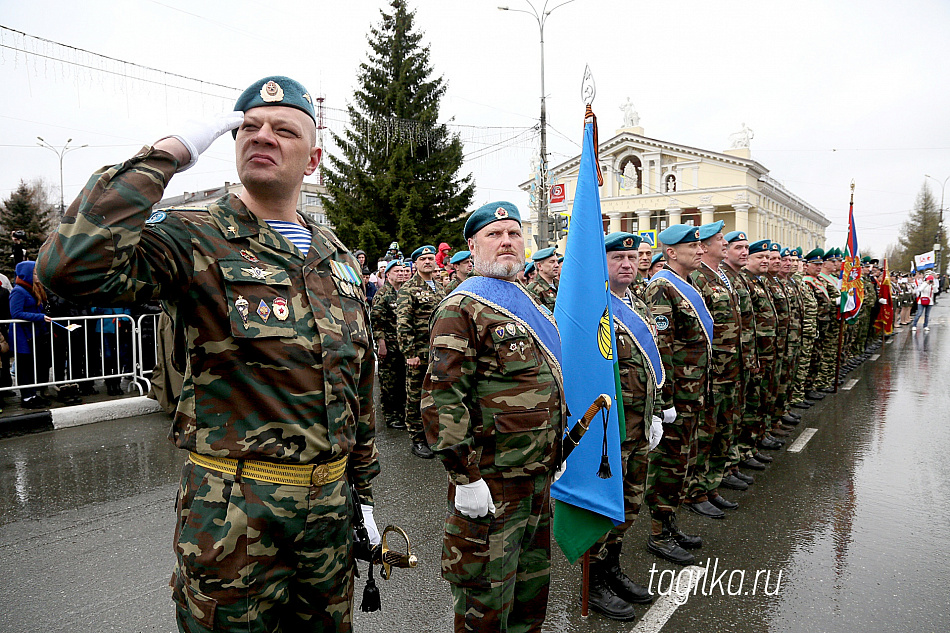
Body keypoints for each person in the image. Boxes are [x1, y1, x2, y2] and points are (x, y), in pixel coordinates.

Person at [36, 75, 380, 632]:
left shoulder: (333, 255)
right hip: (235, 516)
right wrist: (169, 154)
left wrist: (362, 494)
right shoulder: (192, 236)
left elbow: (355, 383)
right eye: (249, 127)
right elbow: (70, 264)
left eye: (283, 129)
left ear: (313, 159)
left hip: (329, 516)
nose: (262, 135)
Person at [422, 201, 565, 633]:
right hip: (493, 483)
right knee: (484, 603)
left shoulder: (530, 303)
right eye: (494, 234)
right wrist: (465, 478)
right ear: (473, 245)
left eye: (514, 234)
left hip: (536, 478)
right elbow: (442, 400)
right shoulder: (462, 309)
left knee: (529, 598)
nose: (507, 242)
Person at [585, 232, 662, 621]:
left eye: (633, 257)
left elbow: (650, 367)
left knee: (629, 506)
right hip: (607, 432)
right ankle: (594, 578)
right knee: (602, 506)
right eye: (618, 258)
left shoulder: (639, 305)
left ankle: (612, 567)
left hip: (638, 425)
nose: (628, 264)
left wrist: (658, 413)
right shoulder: (591, 308)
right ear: (602, 264)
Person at [644, 224, 712, 565]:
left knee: (684, 459)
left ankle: (670, 522)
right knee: (669, 462)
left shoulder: (691, 283)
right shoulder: (661, 287)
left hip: (694, 391)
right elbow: (662, 350)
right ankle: (658, 531)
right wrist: (665, 401)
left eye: (700, 245)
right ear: (671, 252)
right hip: (678, 395)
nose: (700, 251)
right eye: (692, 247)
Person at [683, 221, 741, 519]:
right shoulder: (698, 280)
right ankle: (696, 490)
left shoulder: (720, 277)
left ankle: (711, 484)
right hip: (711, 373)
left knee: (722, 428)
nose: (726, 244)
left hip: (728, 369)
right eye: (720, 239)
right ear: (704, 245)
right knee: (704, 434)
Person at [396, 244, 444, 458]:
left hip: (438, 353)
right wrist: (410, 353)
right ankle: (417, 439)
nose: (427, 261)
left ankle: (433, 435)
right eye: (423, 259)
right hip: (419, 353)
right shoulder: (408, 288)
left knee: (435, 396)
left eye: (430, 258)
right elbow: (403, 323)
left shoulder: (440, 288)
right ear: (415, 263)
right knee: (416, 396)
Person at [9, 260, 52, 408]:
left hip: (33, 333)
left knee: (32, 365)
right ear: (27, 274)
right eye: (34, 273)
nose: (37, 275)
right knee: (24, 367)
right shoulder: (18, 291)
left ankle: (33, 394)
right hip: (22, 335)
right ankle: (26, 398)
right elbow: (16, 313)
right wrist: (40, 317)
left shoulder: (32, 290)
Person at [372, 259, 408, 429]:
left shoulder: (404, 293)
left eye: (402, 271)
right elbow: (377, 321)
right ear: (387, 275)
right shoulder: (382, 294)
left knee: (402, 381)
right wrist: (381, 344)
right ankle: (390, 416)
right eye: (397, 271)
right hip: (389, 345)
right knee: (389, 383)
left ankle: (402, 413)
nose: (400, 273)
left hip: (403, 346)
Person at [525, 247, 559, 312]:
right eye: (552, 262)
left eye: (557, 262)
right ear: (540, 266)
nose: (557, 265)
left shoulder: (560, 285)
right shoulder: (532, 289)